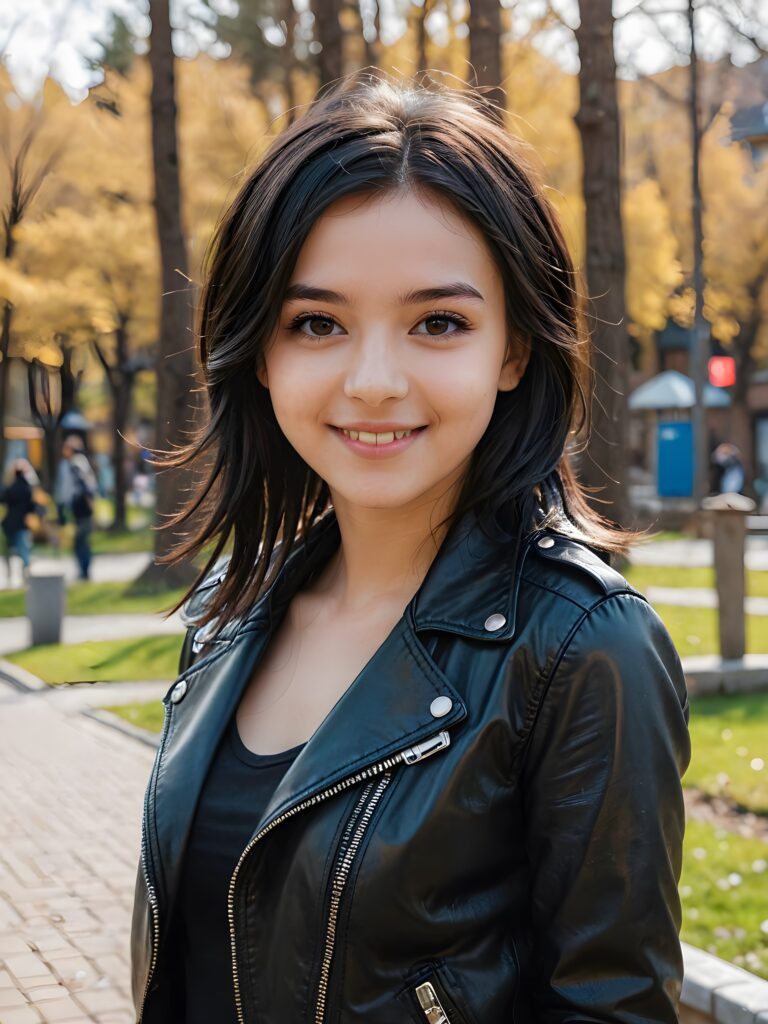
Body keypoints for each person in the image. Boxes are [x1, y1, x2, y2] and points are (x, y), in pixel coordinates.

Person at [130, 73, 691, 1024]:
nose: (375, 379)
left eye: (439, 322)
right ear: (261, 352)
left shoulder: (584, 650)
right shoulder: (230, 613)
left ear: (513, 348)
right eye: (318, 323)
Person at [55, 435, 97, 580]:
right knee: (83, 540)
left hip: (80, 507)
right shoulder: (83, 462)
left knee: (80, 541)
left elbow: (70, 488)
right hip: (84, 507)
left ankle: (84, 570)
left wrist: (61, 506)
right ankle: (84, 569)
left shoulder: (73, 464)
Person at [0, 459, 39, 584]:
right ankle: (26, 574)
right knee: (24, 550)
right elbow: (32, 506)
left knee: (8, 551)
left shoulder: (10, 487)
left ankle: (9, 574)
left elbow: (3, 499)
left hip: (9, 523)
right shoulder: (28, 488)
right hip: (23, 523)